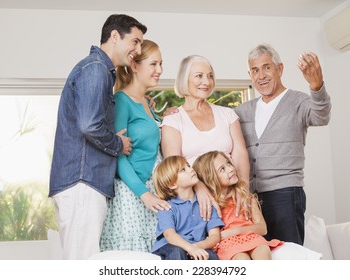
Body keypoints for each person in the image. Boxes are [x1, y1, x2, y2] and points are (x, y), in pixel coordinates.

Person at [49, 14, 147, 259]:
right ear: (115, 36)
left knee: (83, 260)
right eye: (135, 42)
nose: (138, 50)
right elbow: (89, 125)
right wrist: (119, 143)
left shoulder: (100, 70)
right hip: (82, 181)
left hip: (83, 181)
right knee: (82, 264)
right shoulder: (96, 68)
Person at [234, 43, 332, 245]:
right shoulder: (243, 111)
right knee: (261, 258)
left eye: (267, 67)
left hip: (285, 194)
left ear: (280, 69)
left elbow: (321, 116)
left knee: (289, 257)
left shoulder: (297, 101)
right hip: (252, 198)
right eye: (255, 70)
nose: (261, 75)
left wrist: (317, 86)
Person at [100, 39, 171, 253]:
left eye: (161, 64)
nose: (159, 70)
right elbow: (118, 156)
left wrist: (166, 117)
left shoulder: (147, 104)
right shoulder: (121, 100)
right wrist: (144, 194)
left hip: (150, 194)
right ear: (134, 66)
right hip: (131, 196)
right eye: (153, 64)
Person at [161, 55, 250, 221]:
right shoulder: (173, 120)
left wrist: (242, 189)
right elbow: (174, 164)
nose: (206, 82)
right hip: (196, 201)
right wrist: (200, 188)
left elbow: (240, 152)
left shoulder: (227, 114)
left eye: (210, 76)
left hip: (231, 198)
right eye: (199, 76)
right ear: (184, 79)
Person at [193, 151, 283, 260]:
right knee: (241, 258)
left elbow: (263, 228)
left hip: (251, 238)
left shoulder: (246, 197)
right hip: (228, 244)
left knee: (263, 250)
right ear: (210, 179)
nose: (230, 169)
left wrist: (235, 231)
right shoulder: (211, 205)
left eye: (228, 164)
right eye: (222, 169)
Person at [151, 156, 224, 260]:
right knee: (177, 252)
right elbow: (169, 235)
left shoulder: (206, 203)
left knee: (211, 256)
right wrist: (190, 248)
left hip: (196, 246)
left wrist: (198, 247)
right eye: (183, 170)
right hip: (169, 248)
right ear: (172, 184)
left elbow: (215, 236)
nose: (191, 169)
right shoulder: (167, 207)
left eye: (188, 166)